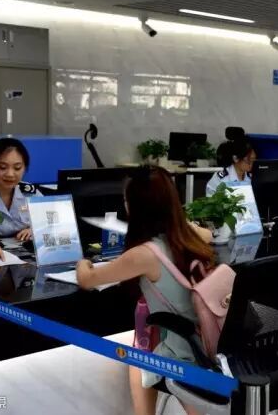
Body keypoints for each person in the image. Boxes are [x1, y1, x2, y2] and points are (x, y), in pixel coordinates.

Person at [76, 166, 212, 415]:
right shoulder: (187, 235)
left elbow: (87, 279)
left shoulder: (144, 254)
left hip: (183, 352)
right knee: (143, 343)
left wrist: (82, 262)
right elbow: (209, 234)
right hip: (207, 343)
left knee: (139, 352)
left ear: (136, 208)